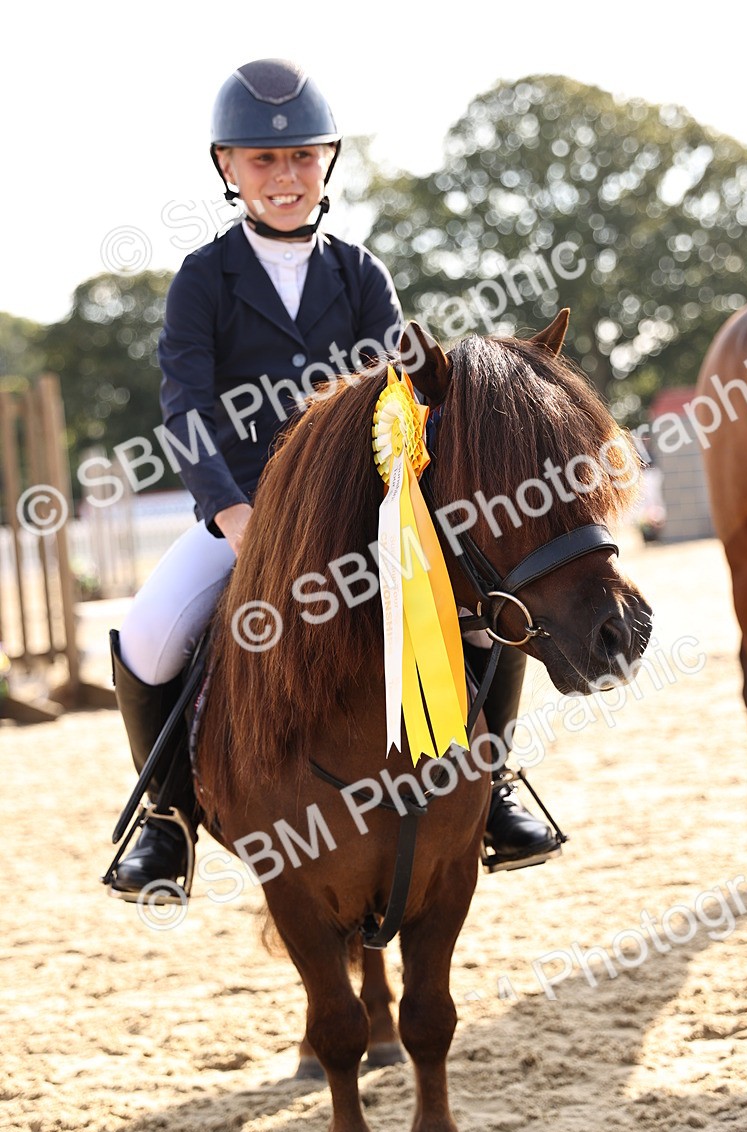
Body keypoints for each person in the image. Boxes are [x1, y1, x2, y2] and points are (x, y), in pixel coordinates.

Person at [106, 58, 560, 903]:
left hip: (361, 511)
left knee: (484, 617)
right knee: (148, 636)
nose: (285, 176)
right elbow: (187, 404)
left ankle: (493, 787)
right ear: (228, 170)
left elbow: (401, 392)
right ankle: (164, 824)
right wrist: (231, 510)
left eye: (302, 158)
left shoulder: (360, 274)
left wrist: (407, 495)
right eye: (263, 161)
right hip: (241, 515)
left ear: (327, 163)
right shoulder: (203, 281)